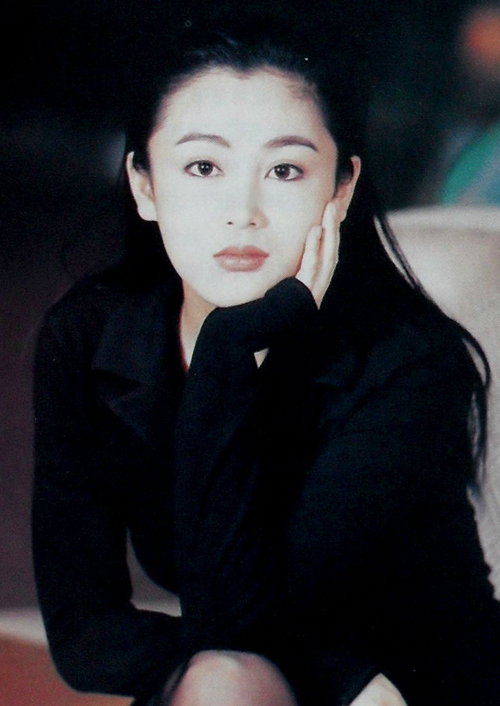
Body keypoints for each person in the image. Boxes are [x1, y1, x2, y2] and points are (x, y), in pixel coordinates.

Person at [32, 18, 500, 706]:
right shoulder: (91, 336)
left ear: (340, 190)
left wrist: (224, 347)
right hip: (281, 680)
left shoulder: (409, 365)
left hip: (421, 684)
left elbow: (258, 618)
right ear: (144, 186)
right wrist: (232, 345)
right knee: (222, 679)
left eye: (285, 170)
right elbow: (83, 635)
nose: (243, 212)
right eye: (203, 167)